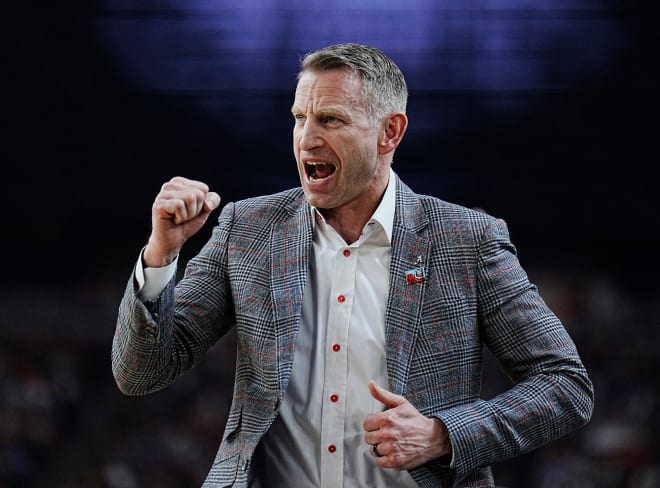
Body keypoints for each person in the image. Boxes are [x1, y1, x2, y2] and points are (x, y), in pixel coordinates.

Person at [112, 42, 594, 487]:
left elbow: (565, 385)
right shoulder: (248, 229)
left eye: (331, 120)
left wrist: (443, 434)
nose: (307, 139)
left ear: (390, 132)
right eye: (299, 118)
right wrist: (161, 255)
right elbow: (139, 373)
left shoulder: (466, 240)